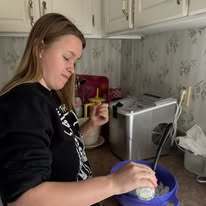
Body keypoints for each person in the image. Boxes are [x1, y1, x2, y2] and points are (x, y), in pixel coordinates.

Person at [0, 13, 157, 206]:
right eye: (67, 57)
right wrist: (113, 183)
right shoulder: (22, 102)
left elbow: (58, 143)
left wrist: (90, 125)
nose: (72, 69)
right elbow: (25, 199)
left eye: (74, 61)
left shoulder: (50, 92)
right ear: (39, 48)